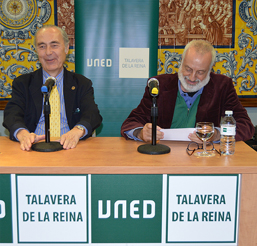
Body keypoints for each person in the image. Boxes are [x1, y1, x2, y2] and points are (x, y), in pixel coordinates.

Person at [121, 40, 255, 143]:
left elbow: (246, 126)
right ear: (181, 63)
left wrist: (217, 135)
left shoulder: (222, 86)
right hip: (163, 156)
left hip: (203, 159)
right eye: (188, 69)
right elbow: (130, 123)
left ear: (210, 70)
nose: (192, 77)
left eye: (200, 72)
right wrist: (140, 133)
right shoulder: (159, 85)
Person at [3, 25, 102, 151]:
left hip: (70, 148)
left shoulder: (81, 83)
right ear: (36, 51)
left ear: (66, 48)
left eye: (54, 45)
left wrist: (77, 131)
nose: (48, 52)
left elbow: (92, 114)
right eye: (42, 46)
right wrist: (23, 134)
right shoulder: (23, 83)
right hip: (33, 149)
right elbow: (12, 114)